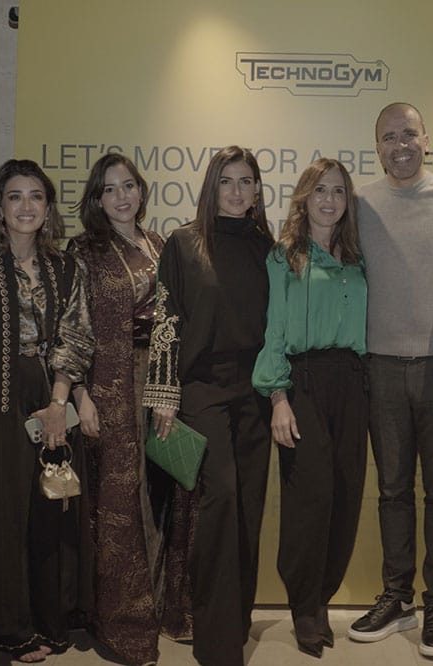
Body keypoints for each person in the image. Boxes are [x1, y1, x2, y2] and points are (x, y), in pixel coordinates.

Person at [349, 102, 433, 657]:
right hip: (378, 366)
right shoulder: (359, 204)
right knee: (392, 489)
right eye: (388, 137)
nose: (399, 145)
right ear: (377, 146)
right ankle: (397, 595)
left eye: (408, 134)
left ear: (427, 139)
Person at [0, 159, 95, 663]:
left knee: (49, 507)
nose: (25, 206)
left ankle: (49, 619)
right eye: (14, 196)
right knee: (4, 510)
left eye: (36, 196)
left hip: (49, 391)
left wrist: (60, 402)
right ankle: (8, 626)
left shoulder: (65, 266)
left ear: (48, 207)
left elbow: (75, 337)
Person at [143, 145, 274, 666]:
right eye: (226, 181)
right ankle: (217, 644)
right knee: (221, 500)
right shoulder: (184, 243)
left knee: (248, 508)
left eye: (246, 182)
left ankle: (236, 623)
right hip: (202, 389)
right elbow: (166, 320)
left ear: (258, 190)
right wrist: (163, 394)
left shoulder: (269, 248)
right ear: (211, 187)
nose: (236, 192)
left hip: (256, 391)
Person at [67, 152, 195, 666]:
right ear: (97, 199)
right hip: (112, 386)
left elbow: (178, 320)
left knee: (167, 491)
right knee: (123, 499)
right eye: (109, 189)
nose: (121, 196)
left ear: (141, 191)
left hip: (164, 383)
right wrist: (80, 394)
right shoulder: (84, 251)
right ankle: (123, 621)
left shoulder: (162, 244)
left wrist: (173, 387)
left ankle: (166, 606)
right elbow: (72, 326)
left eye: (128, 186)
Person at [252, 158, 368, 658]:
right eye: (320, 190)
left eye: (339, 191)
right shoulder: (285, 256)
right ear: (304, 196)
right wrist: (278, 396)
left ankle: (321, 598)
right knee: (309, 499)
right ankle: (303, 605)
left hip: (353, 383)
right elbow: (275, 328)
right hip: (303, 382)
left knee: (345, 494)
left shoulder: (358, 258)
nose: (329, 200)